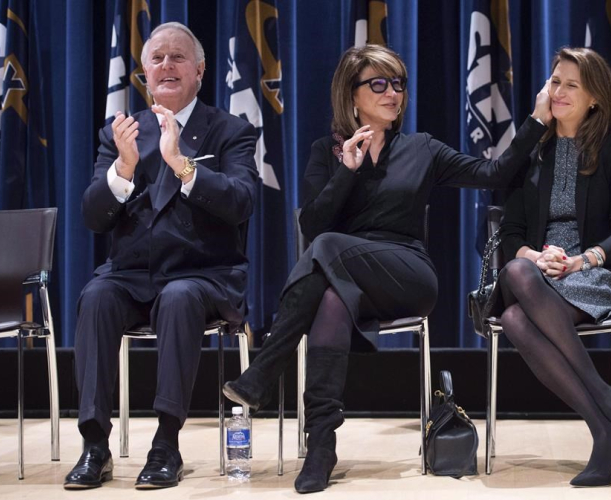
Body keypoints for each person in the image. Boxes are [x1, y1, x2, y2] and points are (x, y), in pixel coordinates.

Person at [222, 44, 547, 494]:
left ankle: (267, 366)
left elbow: (495, 172)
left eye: (397, 83)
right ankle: (321, 446)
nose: (392, 93)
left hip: (408, 275)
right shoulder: (327, 152)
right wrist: (347, 172)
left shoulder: (422, 149)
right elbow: (311, 223)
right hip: (346, 280)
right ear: (352, 96)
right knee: (331, 296)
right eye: (379, 84)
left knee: (328, 247)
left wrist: (537, 120)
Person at [64, 22, 258, 490]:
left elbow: (241, 201)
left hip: (204, 274)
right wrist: (123, 169)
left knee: (178, 297)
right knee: (96, 296)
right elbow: (94, 216)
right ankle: (94, 444)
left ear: (200, 70)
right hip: (132, 275)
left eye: (177, 58)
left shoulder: (230, 131)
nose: (166, 66)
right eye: (157, 59)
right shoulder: (121, 133)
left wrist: (181, 164)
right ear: (144, 74)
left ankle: (166, 443)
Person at [491, 47, 611, 487]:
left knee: (515, 316)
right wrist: (537, 257)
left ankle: (606, 423)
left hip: (592, 272)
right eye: (554, 81)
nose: (558, 92)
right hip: (537, 271)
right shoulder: (532, 154)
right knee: (517, 287)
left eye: (571, 85)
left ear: (595, 97)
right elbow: (512, 234)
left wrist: (582, 259)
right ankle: (607, 415)